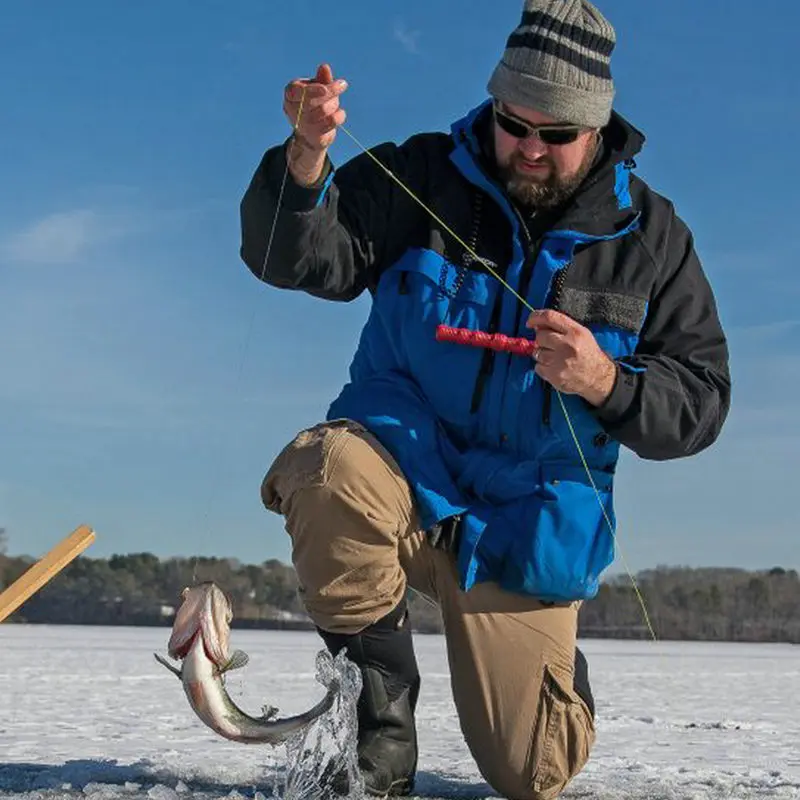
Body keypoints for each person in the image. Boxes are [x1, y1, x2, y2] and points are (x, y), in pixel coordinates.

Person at [238, 1, 731, 797]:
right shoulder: (422, 172)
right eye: (514, 123)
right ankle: (378, 743)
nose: (530, 148)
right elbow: (298, 258)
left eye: (556, 135)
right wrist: (306, 155)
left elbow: (703, 402)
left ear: (596, 130)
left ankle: (547, 662)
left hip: (525, 522)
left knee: (529, 773)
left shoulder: (653, 239)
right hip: (403, 475)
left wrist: (604, 382)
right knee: (327, 468)